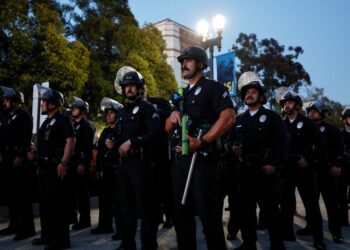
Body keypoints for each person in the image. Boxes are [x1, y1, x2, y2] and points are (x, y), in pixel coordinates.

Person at [165, 46, 235, 250]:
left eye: (188, 60)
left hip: (203, 162)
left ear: (201, 64)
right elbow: (166, 128)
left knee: (208, 217)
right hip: (180, 162)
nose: (183, 64)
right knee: (180, 216)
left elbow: (229, 117)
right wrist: (172, 117)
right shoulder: (180, 95)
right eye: (182, 61)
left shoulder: (213, 88)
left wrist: (203, 141)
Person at [228, 72, 286, 250]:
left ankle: (277, 245)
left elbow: (282, 144)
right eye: (246, 92)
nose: (249, 94)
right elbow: (229, 141)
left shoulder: (272, 117)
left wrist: (274, 165)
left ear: (261, 95)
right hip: (244, 171)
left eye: (253, 91)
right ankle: (249, 243)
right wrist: (232, 148)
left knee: (270, 212)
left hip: (265, 171)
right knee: (245, 211)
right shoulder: (238, 120)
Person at [114, 68, 161, 250]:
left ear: (140, 87)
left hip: (142, 164)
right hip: (124, 165)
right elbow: (120, 136)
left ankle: (148, 245)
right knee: (126, 207)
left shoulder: (148, 108)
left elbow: (156, 133)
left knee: (146, 207)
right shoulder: (122, 112)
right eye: (126, 86)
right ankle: (128, 243)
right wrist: (115, 143)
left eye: (132, 85)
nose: (129, 89)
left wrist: (132, 142)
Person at [275, 87, 327, 250]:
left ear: (297, 105)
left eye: (290, 102)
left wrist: (309, 160)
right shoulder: (280, 125)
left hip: (305, 171)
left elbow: (321, 146)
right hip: (286, 171)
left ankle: (318, 239)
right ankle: (287, 233)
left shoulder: (308, 124)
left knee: (311, 205)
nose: (287, 106)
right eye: (285, 103)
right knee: (286, 204)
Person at [31, 86, 75, 250]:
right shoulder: (46, 123)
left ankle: (61, 240)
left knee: (58, 206)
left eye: (45, 101)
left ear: (54, 104)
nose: (42, 104)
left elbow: (70, 141)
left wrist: (63, 162)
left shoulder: (63, 119)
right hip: (44, 168)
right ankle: (47, 236)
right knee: (46, 205)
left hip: (55, 167)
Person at [305, 101, 343, 243]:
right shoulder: (305, 128)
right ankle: (310, 227)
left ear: (321, 113)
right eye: (309, 111)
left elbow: (339, 149)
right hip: (309, 172)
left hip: (327, 172)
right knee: (311, 204)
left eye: (314, 111)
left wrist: (337, 164)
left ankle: (336, 232)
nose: (311, 113)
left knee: (331, 204)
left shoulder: (331, 129)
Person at [0, 86, 35, 240]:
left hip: (18, 160)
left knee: (22, 195)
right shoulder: (8, 117)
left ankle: (27, 228)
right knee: (12, 195)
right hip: (8, 159)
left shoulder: (23, 116)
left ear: (15, 101)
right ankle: (14, 224)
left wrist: (21, 155)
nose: (4, 102)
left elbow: (26, 138)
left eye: (7, 99)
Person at [91, 97, 124, 241]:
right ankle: (105, 225)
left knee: (119, 202)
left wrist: (115, 145)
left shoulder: (121, 130)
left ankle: (121, 230)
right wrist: (98, 168)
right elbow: (99, 153)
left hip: (119, 170)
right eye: (107, 113)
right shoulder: (104, 131)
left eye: (111, 112)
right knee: (104, 199)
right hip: (106, 170)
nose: (108, 115)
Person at [67, 97, 94, 230]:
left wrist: (83, 164)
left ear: (82, 110)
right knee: (71, 192)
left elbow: (88, 148)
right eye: (72, 108)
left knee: (82, 193)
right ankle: (72, 217)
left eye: (76, 108)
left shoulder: (87, 126)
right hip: (72, 163)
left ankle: (85, 220)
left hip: (81, 163)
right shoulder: (72, 124)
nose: (73, 110)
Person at [147, 96, 173, 229]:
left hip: (162, 148)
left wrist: (158, 111)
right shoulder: (135, 106)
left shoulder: (160, 102)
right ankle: (156, 216)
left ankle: (169, 216)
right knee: (151, 187)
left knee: (165, 184)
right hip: (146, 151)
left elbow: (170, 120)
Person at [339, 106, 350, 227]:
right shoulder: (339, 134)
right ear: (344, 119)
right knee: (341, 194)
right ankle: (343, 220)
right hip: (343, 168)